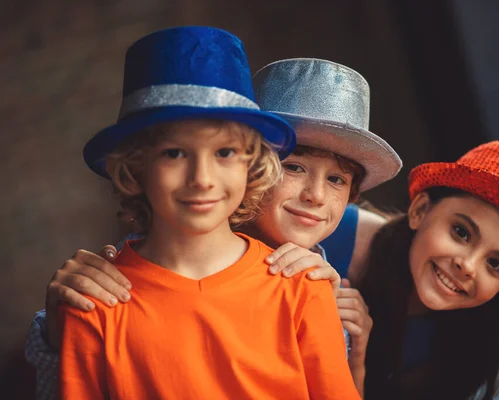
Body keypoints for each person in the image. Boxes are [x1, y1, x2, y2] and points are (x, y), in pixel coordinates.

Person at [26, 57, 401, 398]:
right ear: (259, 167)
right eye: (294, 167)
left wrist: (356, 349)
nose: (316, 196)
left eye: (336, 180)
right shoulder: (111, 283)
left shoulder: (322, 285)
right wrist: (55, 328)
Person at [357, 141, 499, 399]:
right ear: (420, 210)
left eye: (495, 265)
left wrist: (354, 366)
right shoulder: (331, 234)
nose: (468, 266)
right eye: (461, 232)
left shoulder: (467, 347)